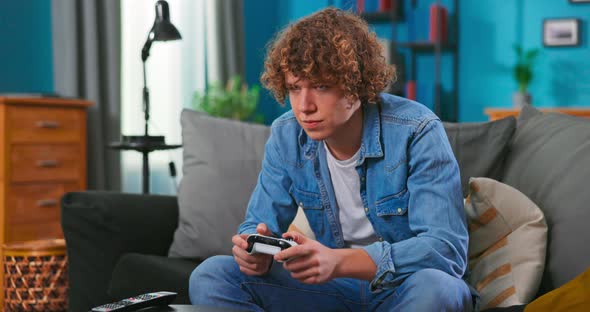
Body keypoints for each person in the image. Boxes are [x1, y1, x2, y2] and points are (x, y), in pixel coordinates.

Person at [189, 7, 474, 311]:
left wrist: (337, 262)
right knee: (212, 274)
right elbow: (257, 226)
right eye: (295, 88)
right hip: (332, 291)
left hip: (405, 288)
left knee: (438, 288)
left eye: (321, 86)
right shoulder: (287, 136)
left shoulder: (417, 130)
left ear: (356, 85)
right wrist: (253, 252)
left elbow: (445, 250)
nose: (304, 106)